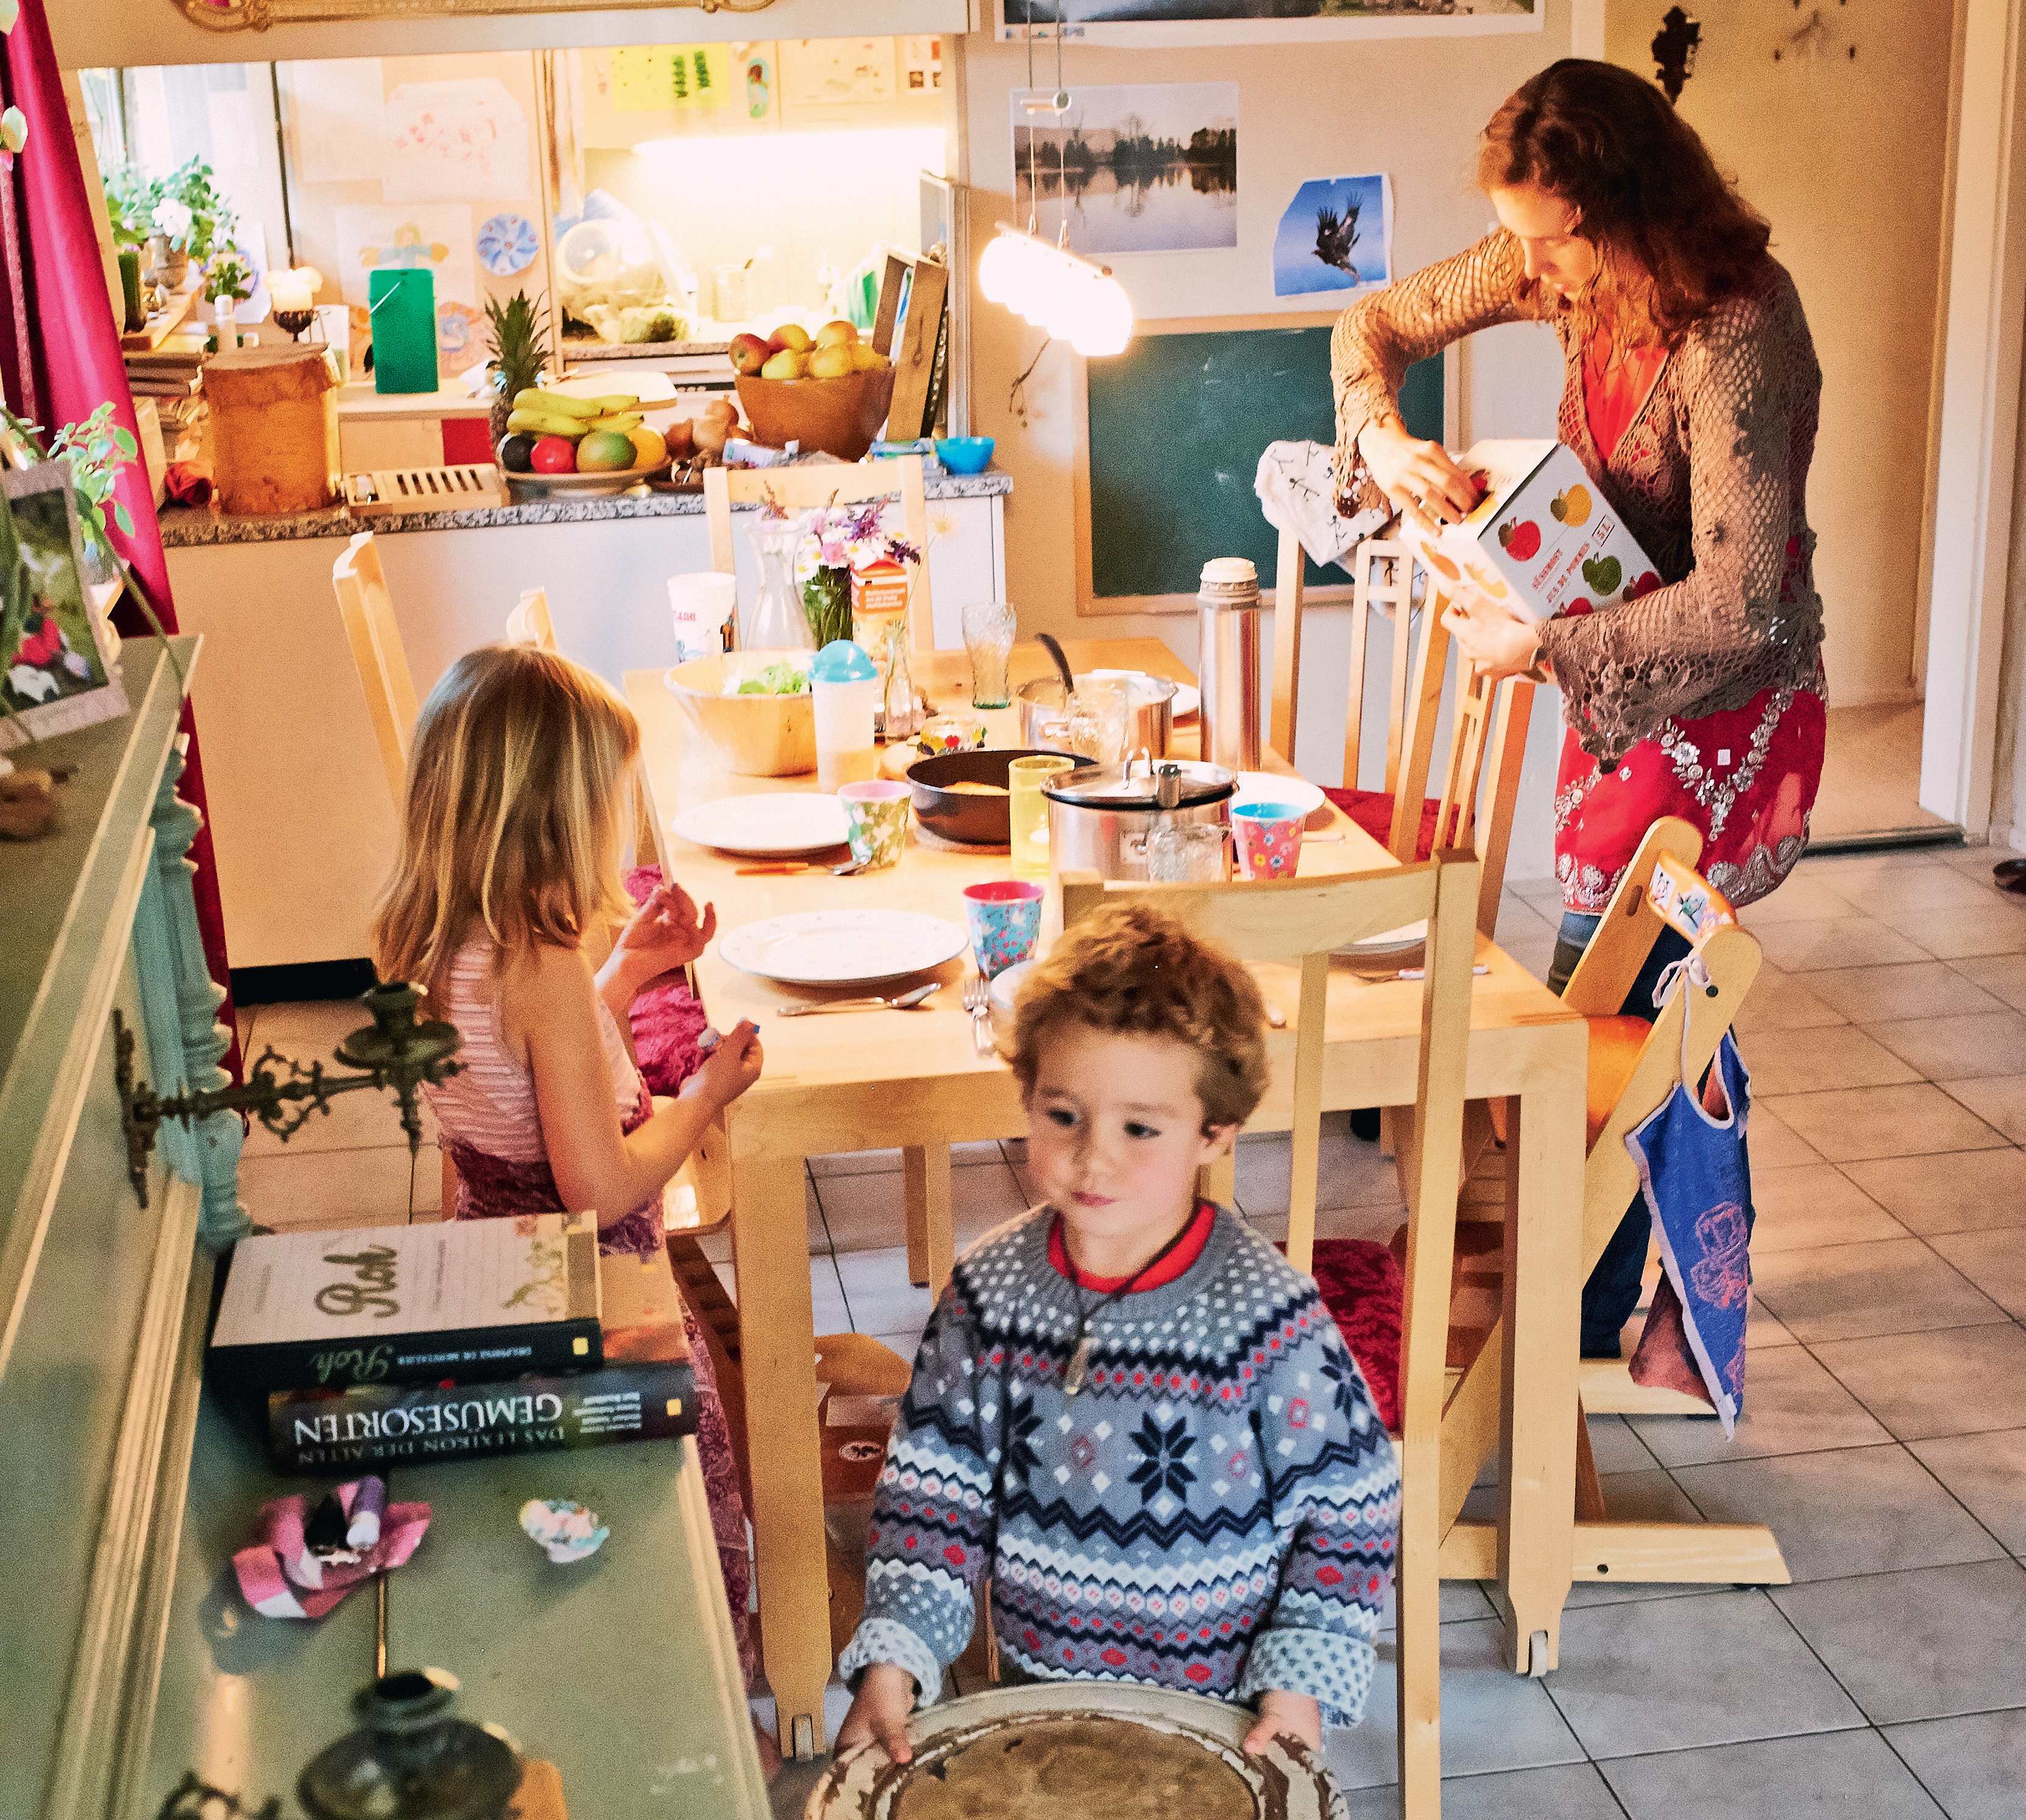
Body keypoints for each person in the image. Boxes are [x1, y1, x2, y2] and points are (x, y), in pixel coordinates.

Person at [1332, 58, 1822, 1352]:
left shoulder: (1739, 334)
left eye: (1546, 246)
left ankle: (1603, 1319)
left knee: (1605, 1017)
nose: (1526, 276)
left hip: (1726, 714)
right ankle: (1663, 1308)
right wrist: (1382, 438)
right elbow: (1370, 325)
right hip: (1612, 683)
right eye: (1514, 243)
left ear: (1627, 215)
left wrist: (1541, 643)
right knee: (1656, 1010)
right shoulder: (1565, 263)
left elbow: (1743, 610)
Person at [835, 903, 1398, 1763]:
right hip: (1039, 1694)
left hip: (1227, 1718)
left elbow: (1349, 1516)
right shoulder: (986, 1296)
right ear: (1025, 1095)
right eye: (1064, 1115)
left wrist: (1296, 1688)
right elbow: (930, 1500)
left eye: (1140, 1127)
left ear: (1215, 1133)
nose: (1094, 1156)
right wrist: (894, 1663)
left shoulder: (1267, 1317)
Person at [369, 644, 767, 1668]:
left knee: (549, 1540)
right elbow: (597, 1184)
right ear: (553, 817)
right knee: (649, 1520)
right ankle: (698, 1693)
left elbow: (526, 1083)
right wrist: (701, 1096)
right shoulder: (538, 965)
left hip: (489, 1273)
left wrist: (630, 967)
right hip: (589, 1294)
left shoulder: (425, 936)